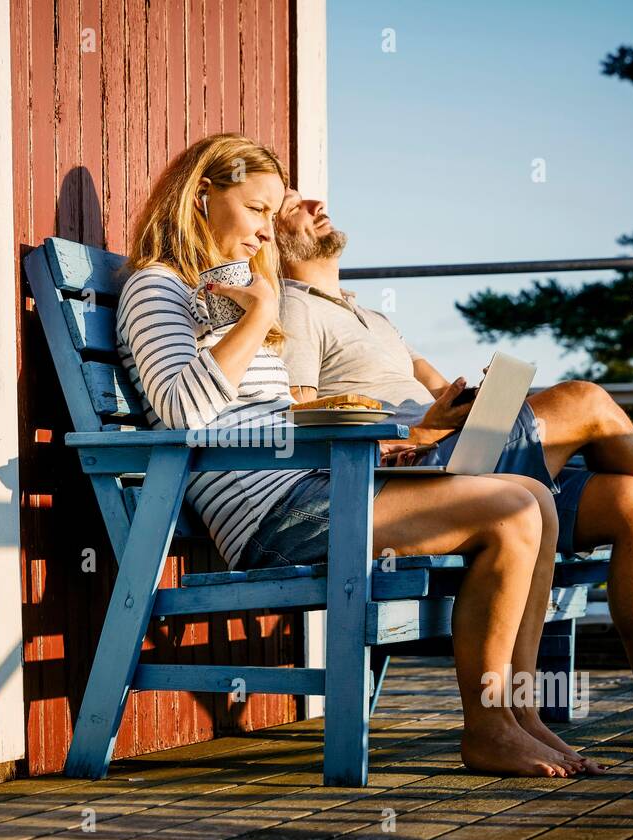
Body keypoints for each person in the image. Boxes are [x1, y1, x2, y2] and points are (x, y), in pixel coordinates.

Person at [274, 189, 633, 758]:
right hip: (412, 478)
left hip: (457, 453)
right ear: (274, 238)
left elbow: (440, 394)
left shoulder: (375, 318)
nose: (313, 203)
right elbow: (304, 419)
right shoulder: (295, 308)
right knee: (584, 399)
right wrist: (415, 436)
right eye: (289, 206)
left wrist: (481, 403)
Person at [118, 133, 589, 777]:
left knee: (534, 497)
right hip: (271, 516)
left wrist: (403, 440)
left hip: (314, 483)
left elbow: (273, 418)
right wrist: (259, 314)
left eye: (271, 213)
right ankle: (487, 728)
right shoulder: (156, 287)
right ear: (202, 196)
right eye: (256, 210)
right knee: (509, 510)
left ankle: (519, 715)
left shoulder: (230, 291)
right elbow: (181, 410)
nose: (266, 231)